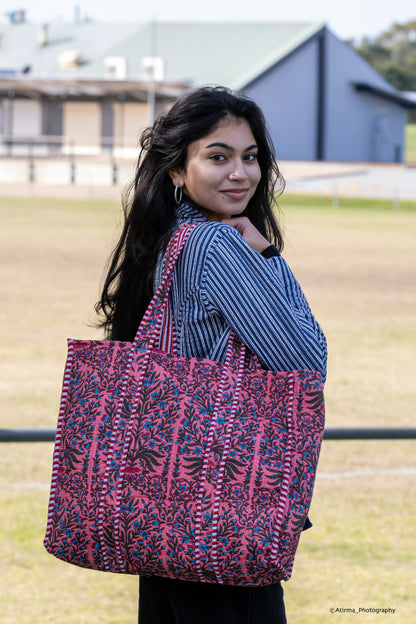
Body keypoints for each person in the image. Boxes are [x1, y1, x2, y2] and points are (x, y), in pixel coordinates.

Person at [96, 86, 327, 624]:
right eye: (217, 157)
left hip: (161, 499)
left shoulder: (167, 238)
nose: (240, 174)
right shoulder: (216, 245)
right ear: (178, 170)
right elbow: (306, 366)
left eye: (251, 158)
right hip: (222, 504)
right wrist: (269, 256)